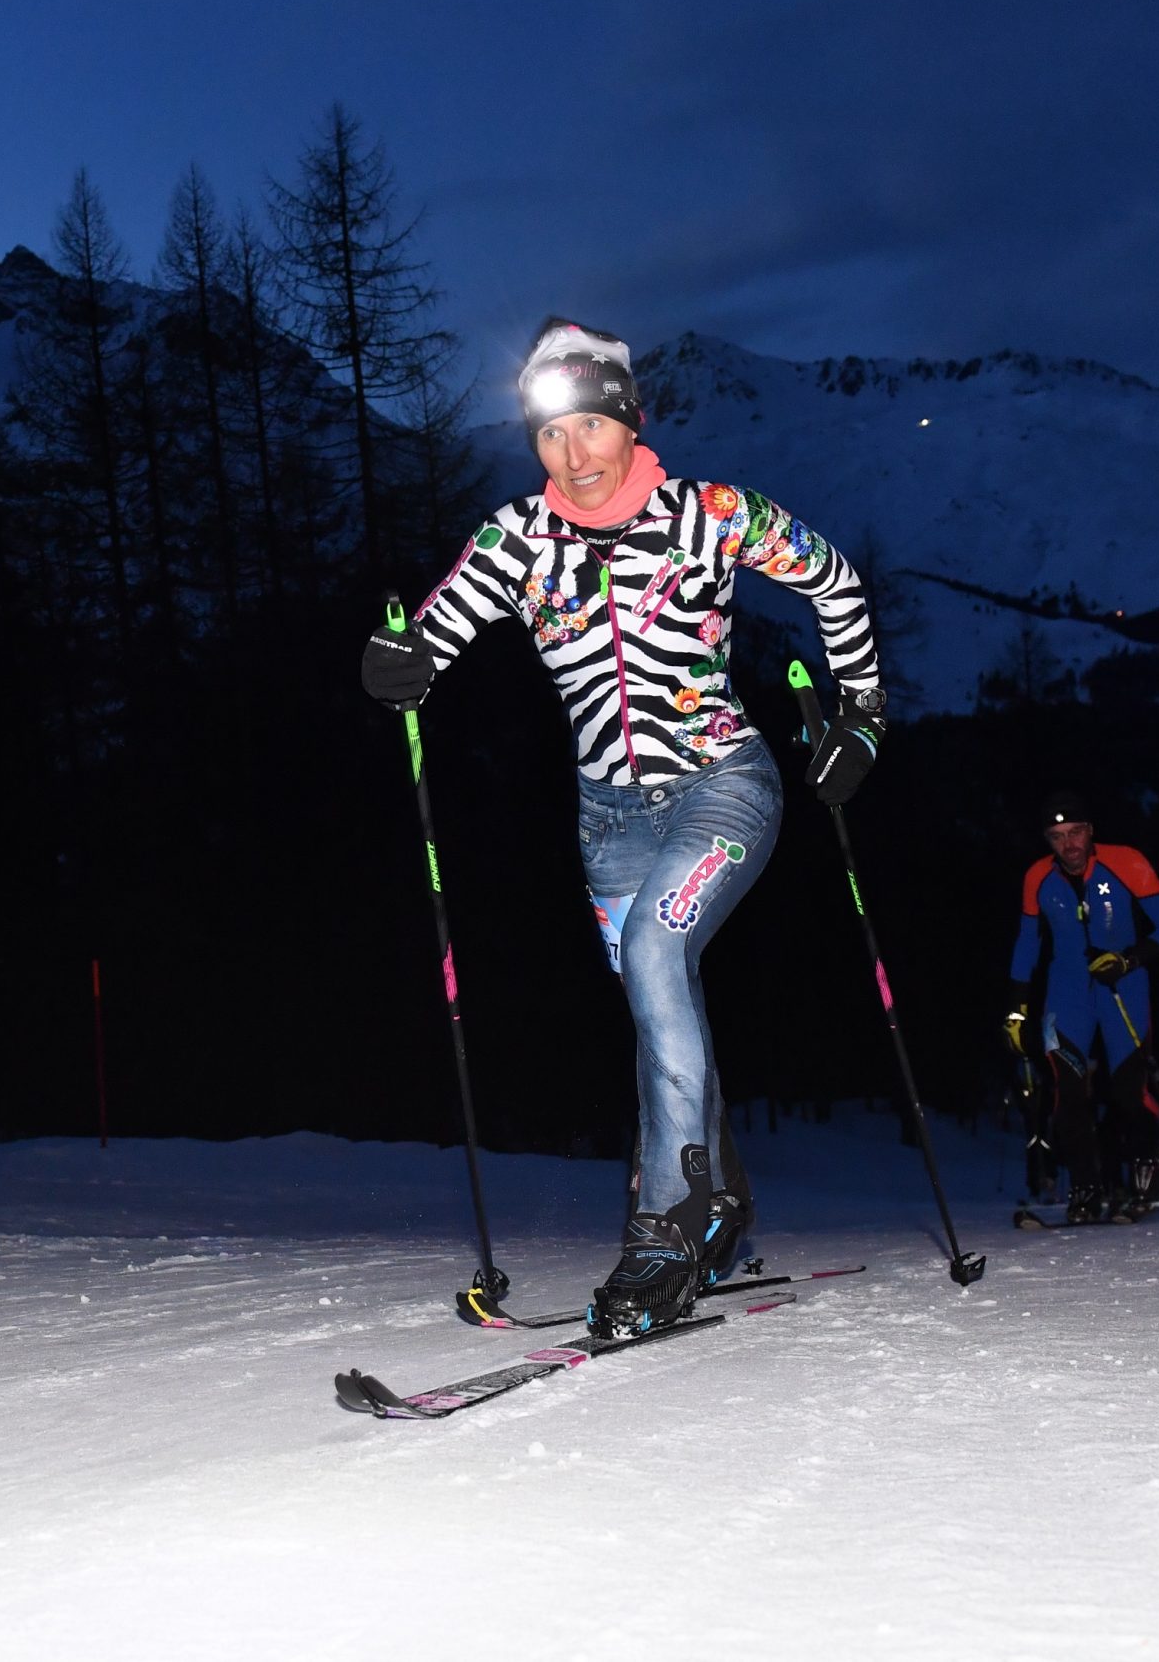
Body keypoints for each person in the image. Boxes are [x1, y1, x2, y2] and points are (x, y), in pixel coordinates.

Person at [362, 318, 886, 1338]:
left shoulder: (713, 515)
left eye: (591, 427)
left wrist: (859, 713)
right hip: (606, 820)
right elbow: (427, 639)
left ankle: (666, 1223)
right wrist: (396, 664)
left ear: (629, 421)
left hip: (722, 786)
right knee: (658, 997)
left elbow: (837, 582)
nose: (574, 456)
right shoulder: (516, 539)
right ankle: (721, 1195)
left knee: (654, 952)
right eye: (552, 437)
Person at [1002, 791, 1159, 1223]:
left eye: (1076, 832)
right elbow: (1027, 942)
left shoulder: (1126, 862)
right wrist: (1016, 1009)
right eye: (1058, 836)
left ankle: (1143, 1179)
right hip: (1066, 995)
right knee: (1068, 1094)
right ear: (1048, 840)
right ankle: (1085, 1191)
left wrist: (1129, 958)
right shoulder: (1037, 878)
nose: (1069, 844)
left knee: (1127, 1093)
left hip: (1123, 989)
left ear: (1091, 831)